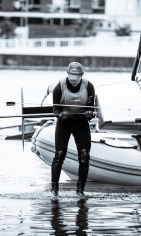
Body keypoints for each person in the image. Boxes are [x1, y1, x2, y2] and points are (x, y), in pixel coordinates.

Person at [51, 62, 95, 198]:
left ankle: (80, 190)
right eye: (71, 79)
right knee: (59, 155)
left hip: (81, 122)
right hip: (64, 122)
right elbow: (55, 110)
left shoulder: (89, 86)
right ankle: (54, 190)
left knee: (84, 156)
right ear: (67, 75)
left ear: (81, 75)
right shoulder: (59, 87)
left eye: (76, 80)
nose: (74, 83)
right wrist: (60, 115)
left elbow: (91, 109)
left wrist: (89, 114)